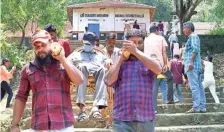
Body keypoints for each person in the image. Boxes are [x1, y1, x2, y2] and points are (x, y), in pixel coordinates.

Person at [11, 30, 83, 132]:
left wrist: (62, 59)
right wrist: (15, 125)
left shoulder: (63, 64)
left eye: (43, 45)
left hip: (64, 125)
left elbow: (79, 80)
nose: (40, 49)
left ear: (51, 43)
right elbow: (21, 97)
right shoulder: (28, 69)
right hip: (39, 126)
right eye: (37, 47)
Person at [104, 29, 162, 132]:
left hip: (146, 118)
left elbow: (158, 69)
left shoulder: (149, 60)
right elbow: (108, 81)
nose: (136, 45)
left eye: (139, 43)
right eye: (133, 43)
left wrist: (136, 51)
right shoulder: (119, 62)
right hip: (122, 119)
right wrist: (121, 58)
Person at [67, 32, 110, 122]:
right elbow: (66, 63)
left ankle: (96, 108)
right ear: (83, 42)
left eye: (91, 44)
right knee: (82, 67)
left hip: (97, 75)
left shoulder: (100, 55)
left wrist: (108, 61)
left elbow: (108, 61)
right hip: (81, 76)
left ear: (94, 44)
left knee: (103, 70)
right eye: (86, 44)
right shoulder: (76, 54)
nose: (88, 45)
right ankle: (82, 110)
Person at [144, 25, 174, 106]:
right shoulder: (160, 38)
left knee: (154, 85)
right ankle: (169, 99)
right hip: (159, 63)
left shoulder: (146, 39)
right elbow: (164, 52)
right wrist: (165, 64)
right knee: (170, 77)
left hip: (148, 63)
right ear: (157, 31)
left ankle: (152, 107)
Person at [183, 22, 206, 113]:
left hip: (192, 66)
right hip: (196, 66)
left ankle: (196, 107)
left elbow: (195, 49)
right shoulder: (193, 37)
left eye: (185, 28)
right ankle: (202, 107)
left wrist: (191, 62)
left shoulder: (193, 36)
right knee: (199, 87)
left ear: (189, 28)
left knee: (195, 87)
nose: (184, 29)